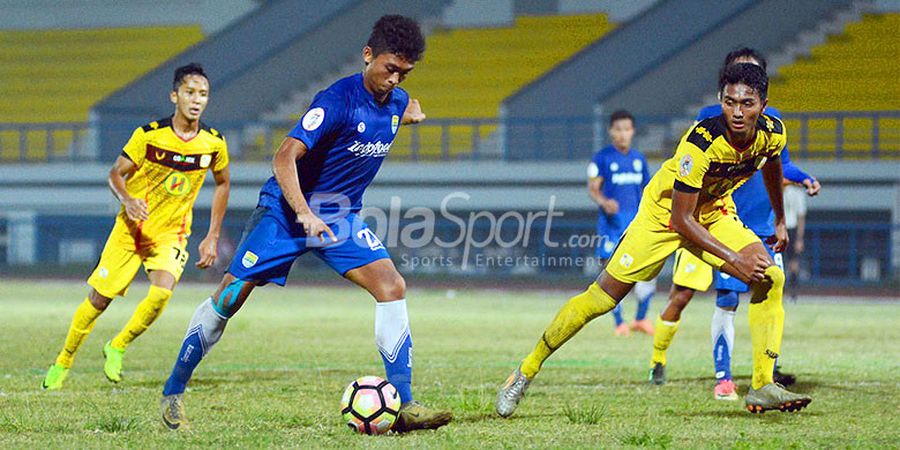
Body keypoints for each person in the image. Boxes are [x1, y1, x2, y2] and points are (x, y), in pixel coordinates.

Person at [158, 15, 451, 432]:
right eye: (390, 69)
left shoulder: (398, 102)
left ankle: (405, 404)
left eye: (405, 73)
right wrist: (304, 213)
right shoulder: (334, 100)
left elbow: (384, 117)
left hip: (339, 218)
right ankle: (173, 391)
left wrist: (409, 115)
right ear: (368, 56)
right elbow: (283, 158)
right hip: (285, 212)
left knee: (392, 286)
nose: (395, 80)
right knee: (230, 298)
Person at [497, 62, 813, 416]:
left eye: (747, 103)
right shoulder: (702, 143)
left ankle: (761, 385)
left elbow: (772, 164)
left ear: (763, 105)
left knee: (771, 276)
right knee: (601, 300)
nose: (737, 112)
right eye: (730, 102)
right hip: (664, 216)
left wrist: (780, 218)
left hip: (714, 212)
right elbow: (681, 219)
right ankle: (524, 371)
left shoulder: (774, 131)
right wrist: (734, 259)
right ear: (720, 100)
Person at [41, 63, 230, 390]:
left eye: (203, 94)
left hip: (171, 233)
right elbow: (115, 173)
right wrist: (127, 199)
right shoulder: (148, 135)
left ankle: (118, 345)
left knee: (160, 294)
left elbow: (223, 183)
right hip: (131, 231)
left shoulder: (213, 143)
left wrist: (212, 235)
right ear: (175, 96)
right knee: (99, 301)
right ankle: (64, 360)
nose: (197, 100)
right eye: (190, 92)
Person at [649, 48, 821, 402]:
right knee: (700, 297)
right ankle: (717, 375)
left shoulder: (772, 123)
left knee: (769, 290)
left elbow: (780, 165)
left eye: (752, 78)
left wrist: (803, 179)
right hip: (722, 218)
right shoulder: (710, 119)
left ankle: (765, 376)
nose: (740, 103)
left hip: (760, 220)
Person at [586, 110, 655, 336]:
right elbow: (593, 189)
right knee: (610, 273)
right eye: (618, 130)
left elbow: (647, 189)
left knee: (645, 271)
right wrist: (605, 202)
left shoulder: (638, 159)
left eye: (626, 129)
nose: (622, 134)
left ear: (633, 131)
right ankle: (619, 323)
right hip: (611, 226)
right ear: (610, 131)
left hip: (635, 226)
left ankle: (641, 319)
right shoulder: (602, 158)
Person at [783, 183, 808, 300]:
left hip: (790, 228)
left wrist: (799, 239)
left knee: (793, 263)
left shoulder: (797, 193)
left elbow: (801, 217)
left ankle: (792, 293)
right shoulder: (775, 190)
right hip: (779, 228)